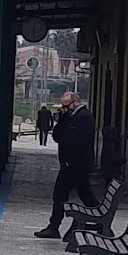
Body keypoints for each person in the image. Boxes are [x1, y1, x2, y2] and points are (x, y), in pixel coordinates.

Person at [35, 91, 100, 238]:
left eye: (66, 106)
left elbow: (76, 141)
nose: (64, 109)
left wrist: (70, 160)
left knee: (61, 195)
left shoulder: (83, 117)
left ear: (75, 102)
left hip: (75, 165)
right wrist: (63, 118)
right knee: (83, 194)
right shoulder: (70, 117)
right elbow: (58, 136)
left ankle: (54, 226)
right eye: (62, 106)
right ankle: (98, 219)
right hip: (70, 164)